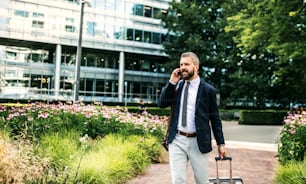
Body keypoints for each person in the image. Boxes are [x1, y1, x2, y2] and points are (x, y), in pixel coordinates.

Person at [158, 52, 226, 184]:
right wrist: (171, 82)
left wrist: (221, 144)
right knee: (178, 180)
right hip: (177, 140)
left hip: (198, 141)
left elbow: (215, 119)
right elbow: (161, 104)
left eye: (187, 64)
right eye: (181, 64)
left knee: (201, 180)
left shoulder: (208, 90)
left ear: (196, 66)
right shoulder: (176, 86)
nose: (183, 67)